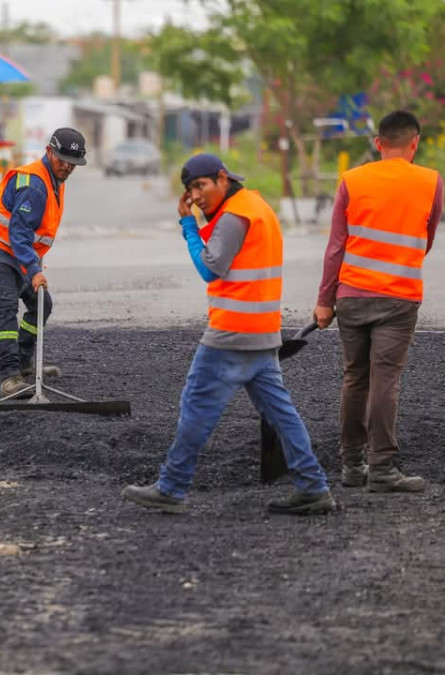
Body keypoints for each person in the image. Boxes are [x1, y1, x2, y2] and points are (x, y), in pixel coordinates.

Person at [122, 153, 334, 516]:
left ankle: (171, 487)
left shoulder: (235, 215)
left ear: (222, 178)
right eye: (189, 190)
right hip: (262, 333)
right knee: (282, 414)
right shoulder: (256, 207)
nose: (195, 196)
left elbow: (211, 267)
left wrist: (188, 225)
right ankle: (313, 487)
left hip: (231, 335)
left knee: (196, 405)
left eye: (200, 186)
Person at [313, 110, 443, 492]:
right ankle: (382, 468)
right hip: (399, 297)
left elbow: (335, 246)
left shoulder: (352, 180)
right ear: (415, 143)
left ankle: (352, 467)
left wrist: (325, 301)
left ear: (377, 143)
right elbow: (427, 238)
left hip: (351, 295)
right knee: (385, 380)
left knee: (355, 378)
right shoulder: (431, 182)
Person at [0, 128, 86, 397]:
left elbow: (35, 233)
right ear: (49, 152)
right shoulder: (34, 184)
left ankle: (24, 363)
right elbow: (19, 233)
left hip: (17, 252)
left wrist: (35, 266)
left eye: (73, 163)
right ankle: (9, 377)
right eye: (62, 161)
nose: (67, 167)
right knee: (7, 304)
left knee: (41, 304)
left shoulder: (54, 180)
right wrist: (33, 270)